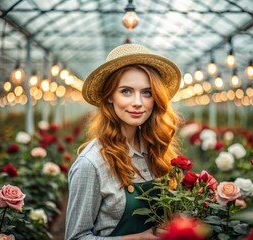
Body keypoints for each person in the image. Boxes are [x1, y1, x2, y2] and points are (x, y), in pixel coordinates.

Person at [65, 43, 182, 240]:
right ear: (109, 96)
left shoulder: (157, 151)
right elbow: (76, 237)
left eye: (147, 92)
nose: (138, 102)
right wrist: (137, 238)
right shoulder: (92, 163)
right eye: (126, 91)